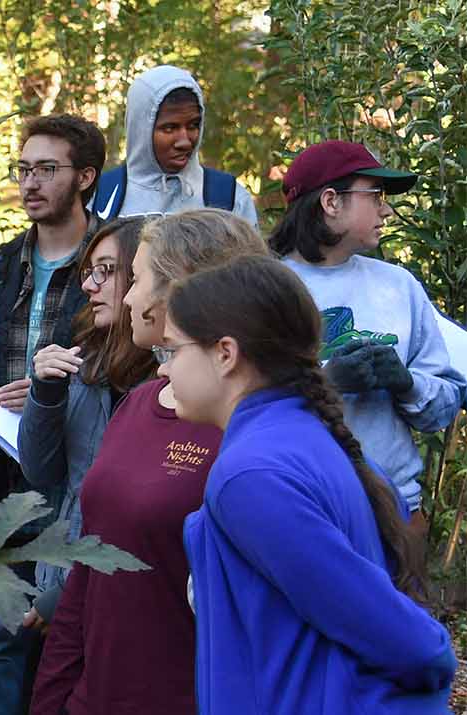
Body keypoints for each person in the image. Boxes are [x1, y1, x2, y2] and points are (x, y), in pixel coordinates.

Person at [168, 255, 455, 714]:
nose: (164, 371)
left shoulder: (253, 476)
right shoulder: (301, 437)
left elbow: (409, 641)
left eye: (172, 351)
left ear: (225, 353)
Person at [29, 209, 268, 715]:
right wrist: (54, 695)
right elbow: (92, 563)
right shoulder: (140, 402)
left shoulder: (251, 427)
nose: (129, 296)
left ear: (187, 291)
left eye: (136, 280)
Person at [0, 114, 103, 715]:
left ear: (84, 177)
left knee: (75, 648)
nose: (30, 183)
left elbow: (134, 359)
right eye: (23, 169)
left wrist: (49, 388)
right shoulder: (0, 266)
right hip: (4, 486)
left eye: (47, 170)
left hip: (78, 483)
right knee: (6, 643)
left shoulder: (109, 262)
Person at [270, 140, 463, 549]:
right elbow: (236, 404)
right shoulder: (268, 287)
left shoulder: (399, 286)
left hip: (395, 510)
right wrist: (326, 382)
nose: (386, 209)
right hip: (298, 509)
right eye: (375, 196)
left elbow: (443, 405)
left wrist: (406, 383)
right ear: (330, 201)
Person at [16, 216, 156, 627]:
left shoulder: (175, 383)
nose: (88, 285)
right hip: (63, 583)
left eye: (106, 271)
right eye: (89, 271)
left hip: (128, 598)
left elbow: (141, 517)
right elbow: (40, 470)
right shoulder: (82, 364)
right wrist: (45, 393)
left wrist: (67, 593)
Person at [88, 65, 258, 226]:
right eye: (170, 128)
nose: (184, 141)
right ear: (141, 130)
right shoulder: (100, 196)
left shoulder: (229, 198)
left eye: (193, 126)